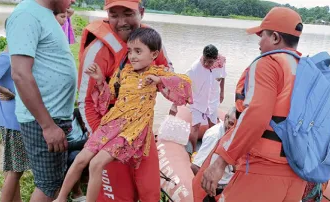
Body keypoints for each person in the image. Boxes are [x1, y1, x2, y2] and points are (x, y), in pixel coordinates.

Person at [55, 27, 192, 202]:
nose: (132, 56)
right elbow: (109, 97)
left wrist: (160, 80)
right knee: (81, 159)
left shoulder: (157, 73)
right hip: (112, 123)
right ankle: (59, 199)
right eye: (130, 51)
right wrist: (99, 80)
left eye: (138, 51)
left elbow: (185, 85)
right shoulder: (124, 72)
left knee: (97, 164)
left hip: (132, 131)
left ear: (154, 54)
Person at [201, 7, 307, 201]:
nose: (259, 42)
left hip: (263, 169)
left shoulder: (268, 63)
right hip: (297, 174)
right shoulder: (307, 69)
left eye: (262, 35)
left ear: (275, 37)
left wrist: (221, 163)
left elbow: (256, 116)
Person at [77, 0, 172, 201]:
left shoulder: (153, 43)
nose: (121, 22)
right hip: (110, 136)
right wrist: (100, 140)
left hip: (142, 133)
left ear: (142, 12)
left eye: (128, 13)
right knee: (116, 198)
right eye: (114, 15)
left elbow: (169, 77)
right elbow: (85, 103)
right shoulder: (97, 51)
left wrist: (162, 80)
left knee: (150, 193)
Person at [5, 0, 77, 201]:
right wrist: (48, 126)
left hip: (54, 117)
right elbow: (20, 73)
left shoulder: (44, 13)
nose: (73, 1)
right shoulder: (26, 14)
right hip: (44, 119)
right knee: (48, 186)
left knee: (53, 183)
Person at [0, 42, 30, 202]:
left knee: (12, 168)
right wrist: (4, 90)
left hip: (10, 119)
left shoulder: (15, 58)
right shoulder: (7, 57)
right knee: (16, 170)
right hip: (12, 121)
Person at [185, 44, 226, 152]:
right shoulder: (195, 68)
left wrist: (222, 92)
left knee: (213, 126)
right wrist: (181, 100)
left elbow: (222, 77)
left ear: (215, 60)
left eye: (210, 62)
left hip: (212, 100)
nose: (206, 64)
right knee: (195, 127)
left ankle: (211, 149)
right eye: (205, 60)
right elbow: (184, 82)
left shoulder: (220, 64)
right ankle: (193, 151)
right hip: (198, 101)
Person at [191, 107, 235, 202]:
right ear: (226, 118)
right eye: (231, 123)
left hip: (229, 180)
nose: (231, 128)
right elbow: (195, 166)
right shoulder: (214, 137)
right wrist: (211, 189)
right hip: (219, 186)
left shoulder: (234, 135)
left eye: (235, 126)